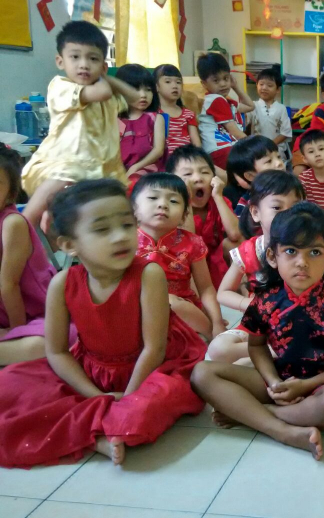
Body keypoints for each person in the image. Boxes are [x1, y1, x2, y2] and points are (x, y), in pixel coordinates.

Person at [0, 180, 205, 468]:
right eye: (102, 230)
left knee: (141, 413)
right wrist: (97, 396)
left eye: (126, 225)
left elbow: (154, 349)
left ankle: (97, 429)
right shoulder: (62, 283)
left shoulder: (149, 274)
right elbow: (57, 352)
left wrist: (128, 398)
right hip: (91, 372)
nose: (120, 237)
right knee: (8, 386)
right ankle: (98, 436)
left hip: (152, 369)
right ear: (69, 245)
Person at [191, 203, 324, 460]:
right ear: (272, 257)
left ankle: (252, 416)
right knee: (202, 373)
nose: (302, 262)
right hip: (280, 380)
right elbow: (256, 346)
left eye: (315, 252)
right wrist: (274, 382)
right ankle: (284, 431)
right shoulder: (265, 301)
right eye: (290, 251)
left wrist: (306, 385)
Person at [21, 21, 142, 230]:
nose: (84, 64)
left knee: (87, 217)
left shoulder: (106, 94)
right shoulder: (61, 87)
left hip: (101, 168)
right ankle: (17, 232)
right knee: (41, 203)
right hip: (66, 163)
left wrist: (105, 76)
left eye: (93, 58)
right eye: (75, 57)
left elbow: (135, 97)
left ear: (103, 66)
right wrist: (104, 77)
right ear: (60, 61)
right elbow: (103, 92)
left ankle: (56, 238)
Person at [210, 171, 304, 365]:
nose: (288, 214)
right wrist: (251, 305)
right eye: (277, 207)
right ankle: (273, 351)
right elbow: (223, 293)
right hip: (261, 323)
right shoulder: (250, 250)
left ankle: (273, 355)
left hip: (300, 322)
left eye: (296, 207)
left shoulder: (310, 248)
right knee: (218, 349)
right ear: (255, 213)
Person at [0, 148, 72, 365]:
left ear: (10, 194)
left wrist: (16, 331)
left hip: (34, 312)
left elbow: (9, 284)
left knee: (56, 339)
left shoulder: (12, 223)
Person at [133, 173, 225, 340]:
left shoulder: (192, 243)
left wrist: (217, 322)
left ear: (184, 215)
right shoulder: (126, 243)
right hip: (138, 309)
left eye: (173, 201)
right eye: (153, 198)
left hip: (183, 309)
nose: (162, 204)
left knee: (172, 302)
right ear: (133, 208)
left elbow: (205, 288)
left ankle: (208, 336)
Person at [166, 146, 242, 289]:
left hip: (214, 263)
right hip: (187, 265)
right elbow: (188, 245)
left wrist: (218, 197)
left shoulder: (218, 201)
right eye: (187, 174)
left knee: (234, 244)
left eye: (205, 172)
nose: (198, 178)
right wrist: (186, 199)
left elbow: (235, 234)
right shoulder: (172, 206)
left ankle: (242, 292)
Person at [196, 52, 254, 170]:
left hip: (225, 149)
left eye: (226, 78)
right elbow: (235, 132)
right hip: (220, 150)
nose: (223, 84)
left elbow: (250, 106)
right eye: (216, 80)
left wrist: (235, 87)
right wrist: (254, 145)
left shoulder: (225, 101)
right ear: (204, 84)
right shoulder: (216, 100)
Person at [115, 64, 167, 182]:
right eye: (136, 89)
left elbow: (158, 150)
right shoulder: (115, 119)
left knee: (135, 181)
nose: (143, 95)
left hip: (148, 169)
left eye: (148, 90)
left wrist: (135, 167)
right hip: (119, 170)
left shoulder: (156, 118)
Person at [225, 135, 284, 221]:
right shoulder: (248, 203)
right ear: (251, 176)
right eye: (269, 161)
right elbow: (243, 228)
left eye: (278, 157)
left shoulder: (292, 188)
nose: (279, 163)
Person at [154, 63, 201, 157]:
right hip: (163, 158)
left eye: (178, 82)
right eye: (168, 82)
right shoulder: (153, 114)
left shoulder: (188, 114)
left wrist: (199, 157)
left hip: (186, 157)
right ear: (156, 87)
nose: (175, 86)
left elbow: (196, 143)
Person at [249, 68, 292, 164]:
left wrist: (270, 145)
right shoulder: (252, 105)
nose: (264, 88)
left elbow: (285, 132)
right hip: (257, 149)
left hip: (276, 149)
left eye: (269, 85)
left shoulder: (281, 108)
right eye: (261, 84)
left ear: (278, 89)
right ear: (256, 85)